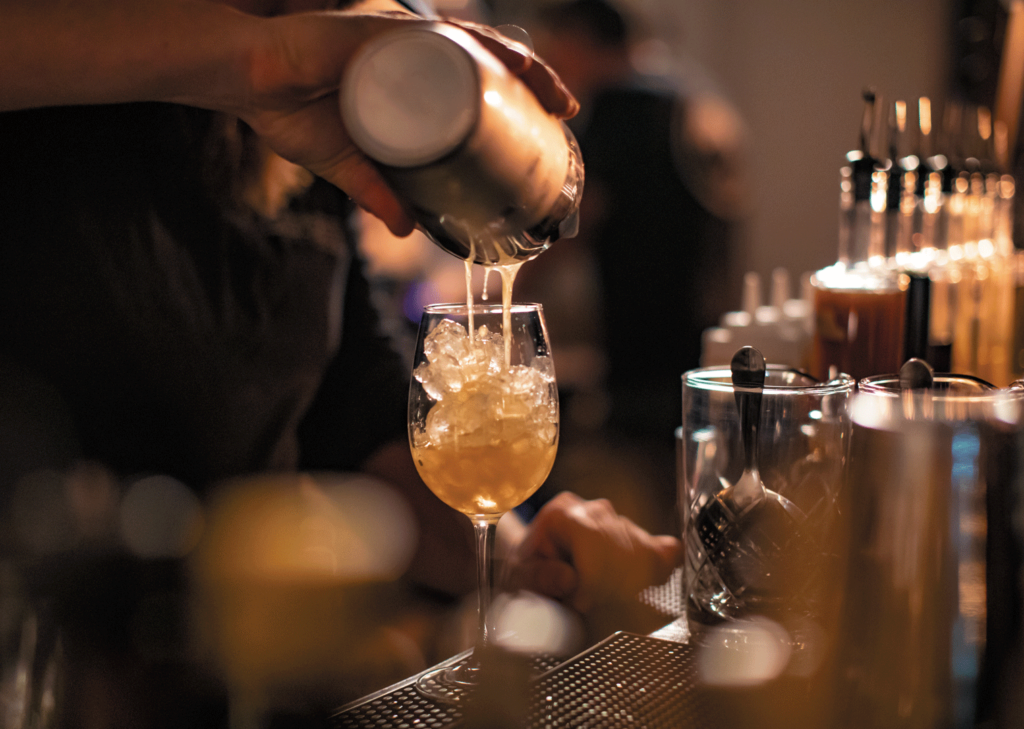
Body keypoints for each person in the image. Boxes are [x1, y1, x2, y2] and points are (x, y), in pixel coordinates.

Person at [0, 0, 681, 723]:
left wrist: (518, 555)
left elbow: (360, 406)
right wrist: (259, 60)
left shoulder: (302, 138)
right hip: (52, 677)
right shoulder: (55, 67)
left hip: (245, 682)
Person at [511, 0, 749, 534]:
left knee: (638, 511)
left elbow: (573, 225)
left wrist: (497, 307)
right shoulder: (689, 98)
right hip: (699, 345)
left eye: (556, 49)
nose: (551, 66)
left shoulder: (623, 104)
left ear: (582, 39)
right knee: (688, 502)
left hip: (643, 360)